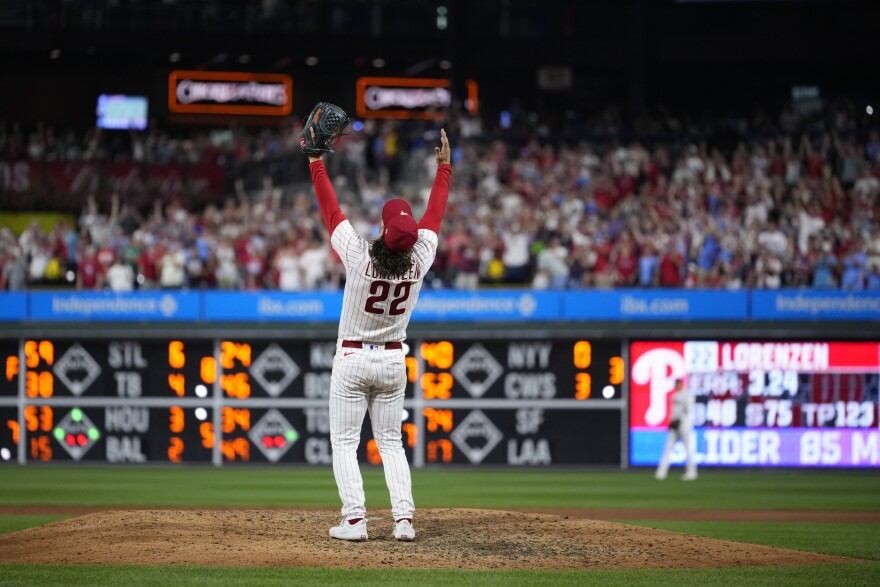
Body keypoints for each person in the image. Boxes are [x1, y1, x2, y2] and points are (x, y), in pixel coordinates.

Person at [307, 126, 452, 542]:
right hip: (393, 359)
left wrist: (316, 162)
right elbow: (435, 215)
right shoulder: (421, 257)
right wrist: (445, 170)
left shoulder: (358, 254)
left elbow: (331, 211)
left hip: (353, 358)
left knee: (345, 444)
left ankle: (355, 521)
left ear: (384, 230)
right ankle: (403, 521)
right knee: (391, 443)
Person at [655, 378, 698, 481]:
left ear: (682, 384)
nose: (677, 385)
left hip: (684, 424)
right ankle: (661, 472)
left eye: (679, 383)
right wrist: (672, 421)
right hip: (674, 424)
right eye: (676, 384)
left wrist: (680, 419)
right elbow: (673, 411)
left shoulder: (687, 395)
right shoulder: (674, 395)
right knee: (667, 448)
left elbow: (688, 410)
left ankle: (692, 472)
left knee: (688, 449)